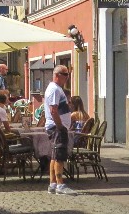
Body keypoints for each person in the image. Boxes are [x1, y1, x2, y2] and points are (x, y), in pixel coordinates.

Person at [44, 65, 77, 195]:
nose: (67, 77)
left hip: (56, 126)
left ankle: (52, 184)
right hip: (57, 127)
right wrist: (60, 127)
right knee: (59, 157)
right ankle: (60, 185)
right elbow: (53, 110)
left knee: (54, 155)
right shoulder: (54, 89)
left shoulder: (56, 89)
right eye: (66, 74)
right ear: (57, 75)